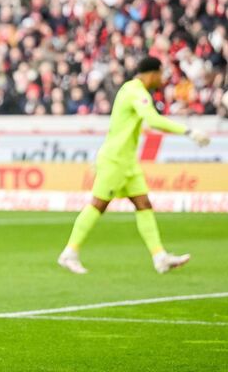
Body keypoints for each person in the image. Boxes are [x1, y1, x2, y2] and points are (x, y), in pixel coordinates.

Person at [57, 57, 210, 275]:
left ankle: (160, 257)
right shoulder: (135, 92)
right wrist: (189, 131)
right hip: (115, 160)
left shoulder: (131, 89)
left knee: (143, 203)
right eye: (160, 74)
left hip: (127, 161)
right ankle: (69, 252)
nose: (162, 79)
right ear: (152, 74)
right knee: (98, 204)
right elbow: (153, 120)